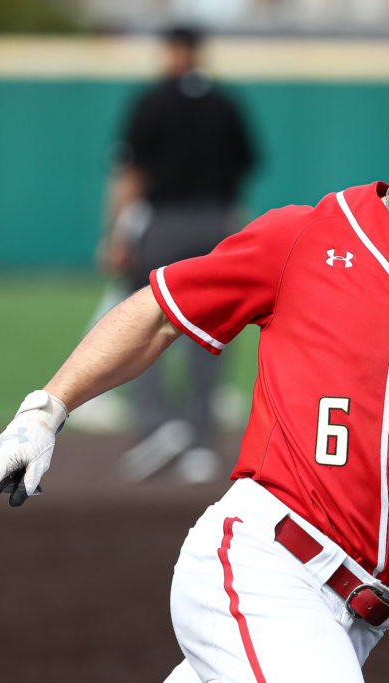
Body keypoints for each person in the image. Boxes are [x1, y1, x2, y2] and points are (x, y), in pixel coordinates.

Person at [0, 23, 389, 683]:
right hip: (265, 567)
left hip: (358, 620)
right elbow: (157, 313)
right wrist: (46, 409)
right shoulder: (307, 238)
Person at [100, 24, 258, 483]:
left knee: (138, 318)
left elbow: (131, 174)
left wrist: (117, 233)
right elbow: (242, 171)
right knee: (210, 331)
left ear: (172, 50)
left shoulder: (152, 101)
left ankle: (160, 423)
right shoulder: (225, 103)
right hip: (215, 224)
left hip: (164, 224)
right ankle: (200, 444)